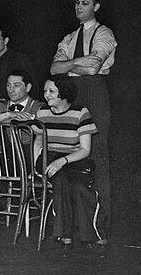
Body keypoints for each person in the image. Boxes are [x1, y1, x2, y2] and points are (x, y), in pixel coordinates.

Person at [50, 0, 116, 241]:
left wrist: (70, 66)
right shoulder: (69, 37)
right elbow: (55, 68)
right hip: (72, 94)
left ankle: (101, 229)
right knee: (70, 154)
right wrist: (78, 62)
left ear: (96, 7)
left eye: (85, 3)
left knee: (96, 156)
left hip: (95, 94)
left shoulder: (104, 33)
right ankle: (72, 227)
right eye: (77, 3)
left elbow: (93, 69)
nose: (79, 7)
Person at [33, 75, 107, 258]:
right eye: (45, 91)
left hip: (74, 160)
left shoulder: (80, 113)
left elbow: (85, 150)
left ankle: (95, 236)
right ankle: (66, 238)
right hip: (49, 160)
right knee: (60, 183)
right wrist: (37, 168)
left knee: (80, 188)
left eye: (51, 91)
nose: (46, 95)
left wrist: (63, 161)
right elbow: (37, 143)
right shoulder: (42, 113)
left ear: (64, 93)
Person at [0, 69, 43, 221]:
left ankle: (33, 208)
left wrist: (8, 122)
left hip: (29, 156)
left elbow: (41, 128)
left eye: (16, 85)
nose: (11, 90)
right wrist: (8, 115)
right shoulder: (2, 106)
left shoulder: (38, 106)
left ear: (28, 87)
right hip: (6, 157)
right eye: (8, 85)